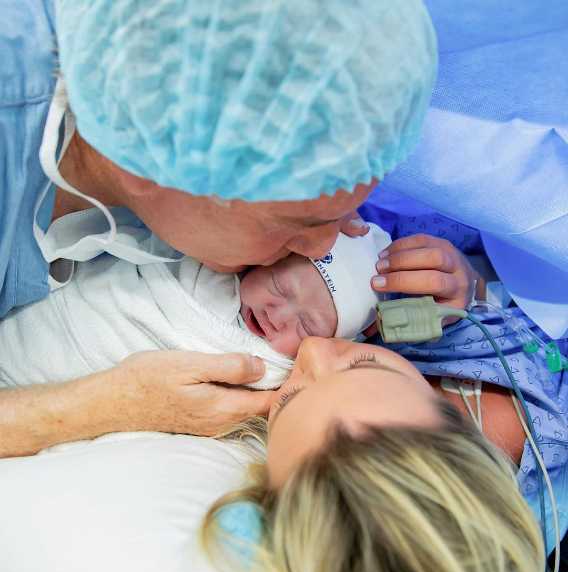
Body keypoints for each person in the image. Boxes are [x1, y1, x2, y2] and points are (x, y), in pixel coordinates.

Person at [0, 0, 447, 446]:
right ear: (151, 165)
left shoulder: (173, 109)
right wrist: (104, 406)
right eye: (296, 223)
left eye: (345, 210)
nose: (321, 248)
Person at [202, 337, 545, 572]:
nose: (311, 348)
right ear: (459, 418)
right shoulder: (518, 420)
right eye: (366, 363)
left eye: (288, 398)